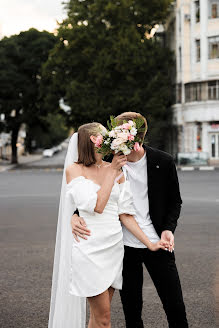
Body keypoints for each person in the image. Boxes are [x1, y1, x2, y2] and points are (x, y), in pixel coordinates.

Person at [71, 113, 189, 328]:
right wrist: (74, 216)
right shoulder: (107, 163)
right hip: (122, 246)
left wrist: (168, 229)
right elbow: (88, 194)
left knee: (175, 306)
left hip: (157, 241)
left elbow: (175, 202)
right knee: (132, 311)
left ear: (137, 139)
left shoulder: (163, 161)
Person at [48, 122, 169, 328]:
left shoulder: (116, 170)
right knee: (105, 320)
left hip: (113, 248)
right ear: (89, 144)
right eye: (102, 141)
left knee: (97, 319)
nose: (107, 146)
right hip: (89, 249)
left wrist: (151, 244)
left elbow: (126, 215)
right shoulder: (74, 170)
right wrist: (112, 171)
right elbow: (98, 206)